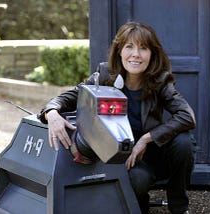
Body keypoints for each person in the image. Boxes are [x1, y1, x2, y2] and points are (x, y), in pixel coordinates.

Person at [39, 21, 196, 214]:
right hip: (122, 157)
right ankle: (139, 201)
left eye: (143, 48)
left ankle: (179, 206)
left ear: (152, 54)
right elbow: (69, 97)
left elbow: (187, 116)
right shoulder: (105, 75)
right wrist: (52, 112)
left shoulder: (160, 80)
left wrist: (147, 139)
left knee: (184, 142)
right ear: (119, 51)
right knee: (137, 181)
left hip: (155, 154)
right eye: (129, 47)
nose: (136, 54)